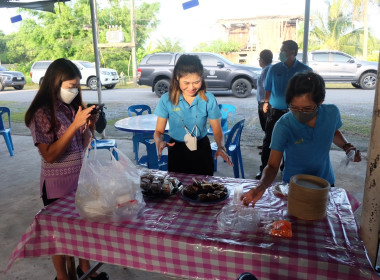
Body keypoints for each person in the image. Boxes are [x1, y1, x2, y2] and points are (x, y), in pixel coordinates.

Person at [24, 58, 109, 280]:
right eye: (70, 86)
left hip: (78, 181)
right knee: (58, 236)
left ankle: (84, 268)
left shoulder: (70, 109)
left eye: (77, 86)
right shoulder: (41, 114)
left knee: (82, 229)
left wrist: (88, 126)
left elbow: (80, 146)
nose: (74, 91)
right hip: (56, 187)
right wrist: (74, 125)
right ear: (54, 83)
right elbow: (50, 156)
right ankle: (62, 276)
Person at [241, 72, 362, 207]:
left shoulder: (331, 113)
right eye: (294, 107)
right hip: (294, 186)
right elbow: (273, 165)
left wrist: (347, 147)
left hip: (325, 183)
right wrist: (260, 187)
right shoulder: (283, 125)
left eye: (307, 108)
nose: (300, 113)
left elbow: (333, 132)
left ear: (320, 101)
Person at [154, 54, 232, 175]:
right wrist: (159, 141)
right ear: (177, 78)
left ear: (202, 78)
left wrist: (221, 147)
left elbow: (217, 130)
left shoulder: (208, 99)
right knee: (177, 188)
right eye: (186, 82)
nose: (191, 87)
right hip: (176, 150)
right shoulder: (166, 100)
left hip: (201, 149)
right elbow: (159, 132)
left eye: (196, 82)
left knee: (204, 188)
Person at [256, 40, 312, 180]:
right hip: (275, 112)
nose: (281, 53)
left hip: (296, 114)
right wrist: (266, 103)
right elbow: (267, 87)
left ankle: (286, 170)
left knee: (292, 142)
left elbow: (311, 91)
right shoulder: (274, 69)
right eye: (281, 50)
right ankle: (264, 169)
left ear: (293, 52)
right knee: (269, 141)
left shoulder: (305, 70)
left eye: (284, 50)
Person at [256, 49, 273, 153]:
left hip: (264, 102)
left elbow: (268, 88)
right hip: (264, 101)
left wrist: (266, 103)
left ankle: (268, 148)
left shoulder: (267, 70)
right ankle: (266, 145)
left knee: (267, 126)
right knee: (266, 126)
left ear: (262, 60)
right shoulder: (267, 69)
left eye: (259, 59)